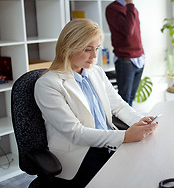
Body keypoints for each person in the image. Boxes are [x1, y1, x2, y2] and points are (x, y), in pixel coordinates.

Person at [34, 19, 157, 187]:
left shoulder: (95, 72)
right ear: (68, 48)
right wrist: (125, 136)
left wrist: (138, 121)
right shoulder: (48, 84)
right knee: (129, 179)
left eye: (97, 49)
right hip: (80, 155)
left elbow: (119, 106)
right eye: (87, 50)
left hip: (107, 143)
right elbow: (76, 133)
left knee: (149, 164)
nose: (94, 56)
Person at [105, 0, 144, 106]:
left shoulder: (130, 8)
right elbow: (127, 30)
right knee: (124, 102)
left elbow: (135, 33)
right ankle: (125, 128)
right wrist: (130, 3)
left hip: (139, 58)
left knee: (131, 99)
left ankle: (132, 127)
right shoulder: (113, 8)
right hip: (125, 60)